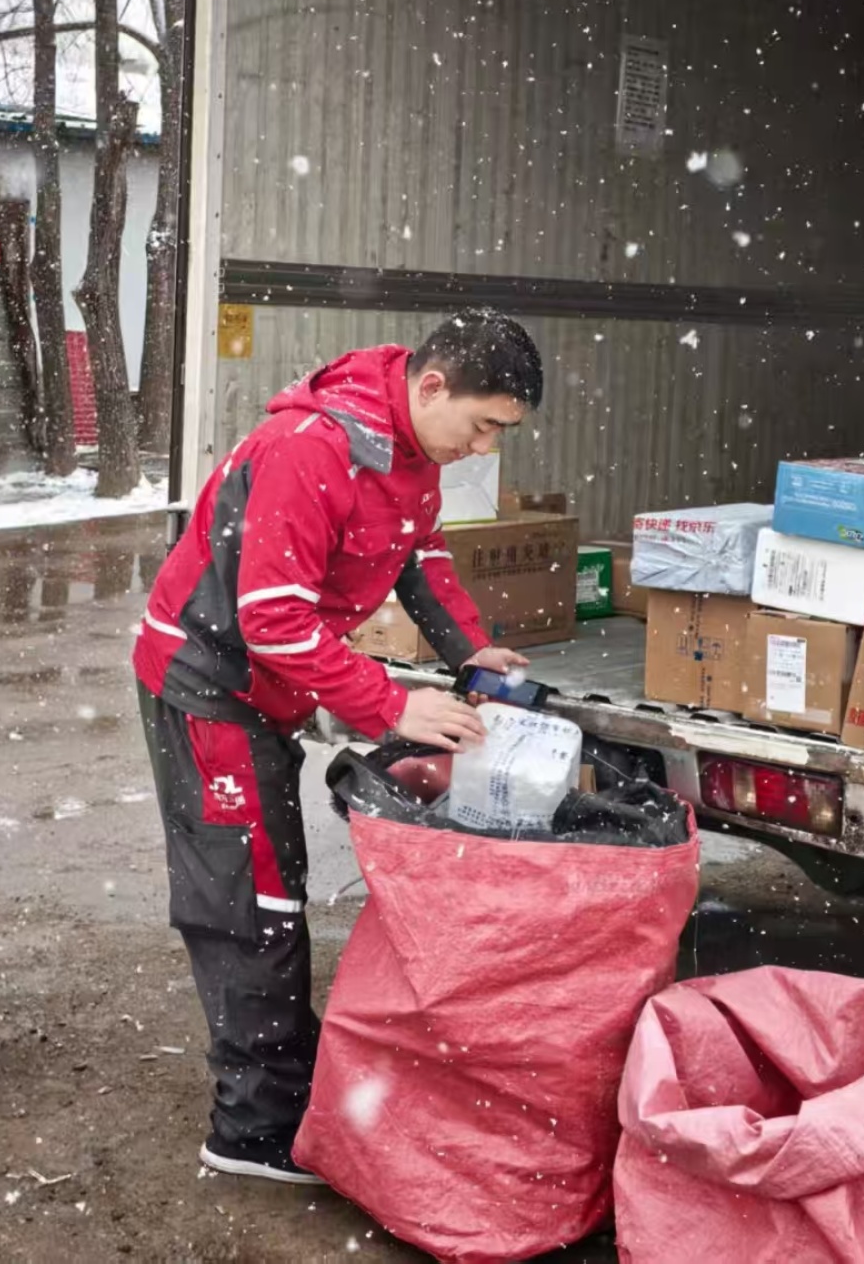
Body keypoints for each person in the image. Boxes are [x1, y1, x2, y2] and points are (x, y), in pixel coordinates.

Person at [133, 309, 543, 1182]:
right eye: (483, 424)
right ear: (431, 386)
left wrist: (468, 648)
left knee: (274, 879)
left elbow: (419, 553)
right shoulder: (311, 450)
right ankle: (252, 1128)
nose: (483, 447)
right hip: (210, 684)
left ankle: (287, 1076)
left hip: (265, 687)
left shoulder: (410, 454)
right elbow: (272, 619)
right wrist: (395, 703)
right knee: (253, 898)